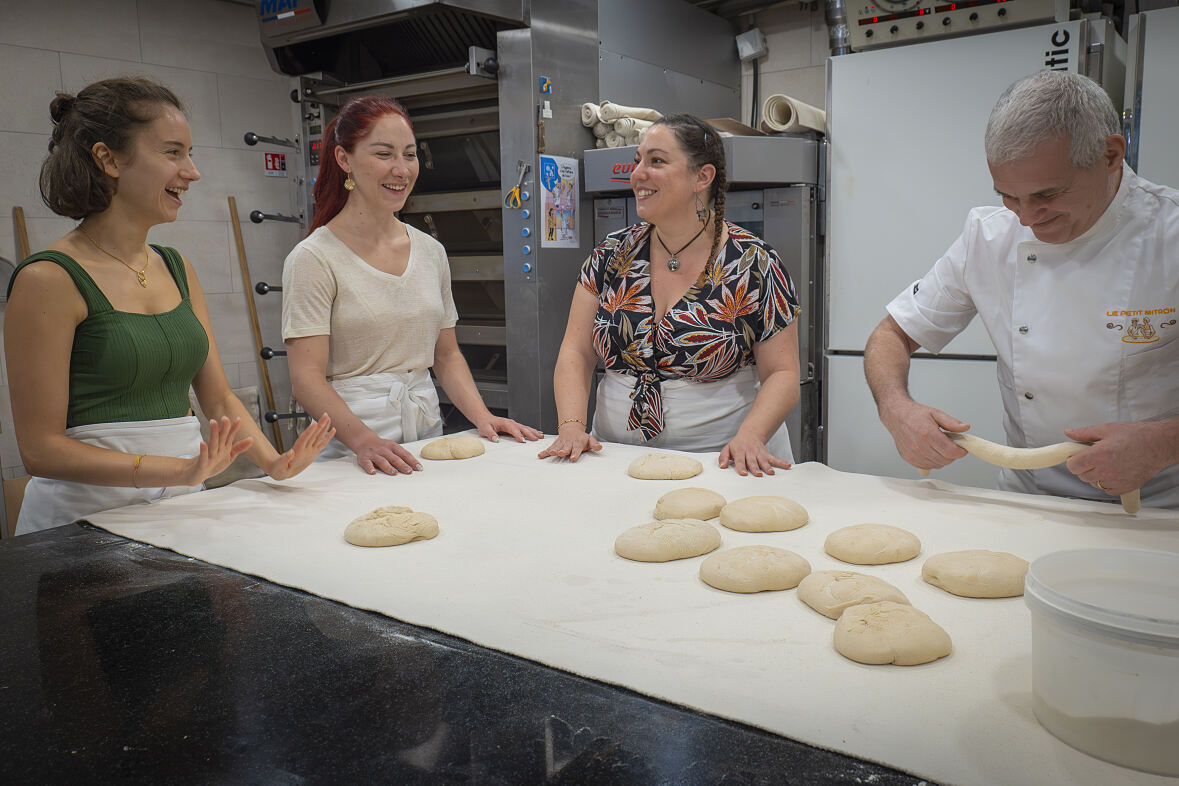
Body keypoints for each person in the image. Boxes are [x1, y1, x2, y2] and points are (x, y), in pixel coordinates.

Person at [4, 77, 334, 536]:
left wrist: (273, 463)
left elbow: (217, 397)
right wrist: (176, 470)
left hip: (178, 511)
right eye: (173, 152)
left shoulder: (177, 268)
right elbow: (40, 449)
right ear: (108, 159)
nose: (193, 171)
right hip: (82, 523)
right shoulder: (48, 279)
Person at [864, 70, 1179, 509]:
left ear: (1110, 155)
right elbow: (889, 336)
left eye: (1047, 194)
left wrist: (1166, 441)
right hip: (1028, 501)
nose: (1027, 218)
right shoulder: (988, 237)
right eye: (1009, 197)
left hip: (1158, 507)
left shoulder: (1171, 233)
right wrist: (896, 408)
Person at [282, 96, 541, 476]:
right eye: (384, 154)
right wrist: (364, 440)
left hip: (424, 434)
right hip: (349, 444)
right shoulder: (314, 258)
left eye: (409, 155)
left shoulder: (430, 251)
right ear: (343, 160)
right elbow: (306, 379)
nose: (401, 170)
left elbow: (446, 355)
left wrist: (483, 417)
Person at [538, 114, 802, 476]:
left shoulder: (754, 263)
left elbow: (783, 373)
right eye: (638, 161)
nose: (637, 174)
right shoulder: (611, 255)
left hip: (725, 461)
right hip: (613, 456)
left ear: (702, 177)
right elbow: (576, 351)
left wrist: (751, 438)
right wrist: (571, 426)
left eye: (656, 161)